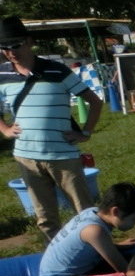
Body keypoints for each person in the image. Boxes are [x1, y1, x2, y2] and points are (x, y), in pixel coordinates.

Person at [0, 16, 102, 242]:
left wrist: (85, 133)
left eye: (15, 45)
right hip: (26, 157)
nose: (10, 52)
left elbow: (95, 101)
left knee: (85, 212)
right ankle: (57, 255)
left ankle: (97, 252)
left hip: (63, 155)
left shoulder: (57, 70)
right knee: (45, 218)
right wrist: (5, 129)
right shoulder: (2, 74)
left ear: (29, 42)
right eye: (4, 47)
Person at [37, 182, 135, 276]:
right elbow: (123, 270)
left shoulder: (92, 212)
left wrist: (115, 247)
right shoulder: (95, 231)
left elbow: (86, 246)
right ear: (115, 212)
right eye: (134, 218)